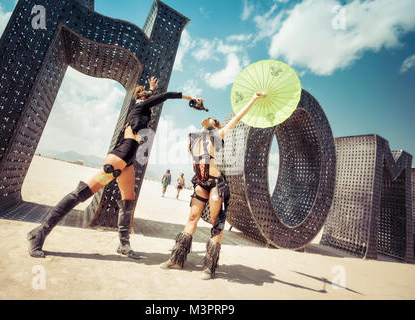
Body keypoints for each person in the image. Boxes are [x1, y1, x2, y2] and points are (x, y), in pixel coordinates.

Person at [27, 76, 204, 260]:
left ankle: (124, 244)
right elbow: (167, 95)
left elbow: (148, 98)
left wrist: (150, 88)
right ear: (142, 98)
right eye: (147, 96)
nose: (149, 99)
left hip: (126, 162)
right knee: (83, 193)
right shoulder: (141, 105)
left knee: (128, 201)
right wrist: (192, 98)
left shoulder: (140, 107)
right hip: (119, 159)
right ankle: (39, 233)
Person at [160, 92, 265, 279]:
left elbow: (239, 116)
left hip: (216, 184)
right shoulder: (194, 137)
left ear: (218, 126)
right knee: (192, 217)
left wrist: (253, 99)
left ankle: (209, 266)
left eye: (214, 120)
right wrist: (195, 104)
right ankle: (177, 259)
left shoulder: (219, 134)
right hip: (200, 182)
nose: (210, 119)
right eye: (208, 118)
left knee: (217, 222)